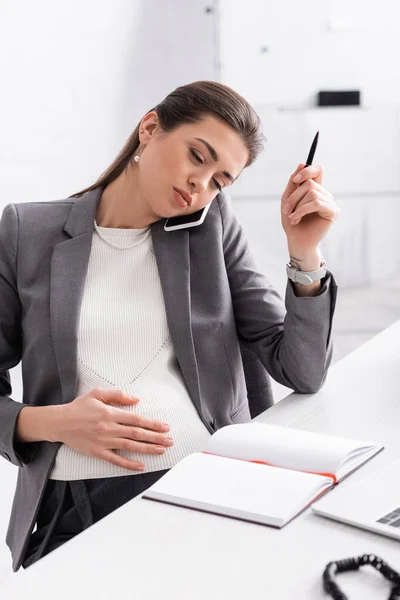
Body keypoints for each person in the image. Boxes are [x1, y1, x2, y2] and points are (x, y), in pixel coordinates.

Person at [0, 81, 339, 572]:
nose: (202, 184)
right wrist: (52, 422)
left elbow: (303, 370)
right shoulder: (26, 232)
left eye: (221, 179)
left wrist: (305, 253)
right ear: (150, 128)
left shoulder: (211, 228)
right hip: (82, 508)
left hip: (216, 490)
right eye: (196, 156)